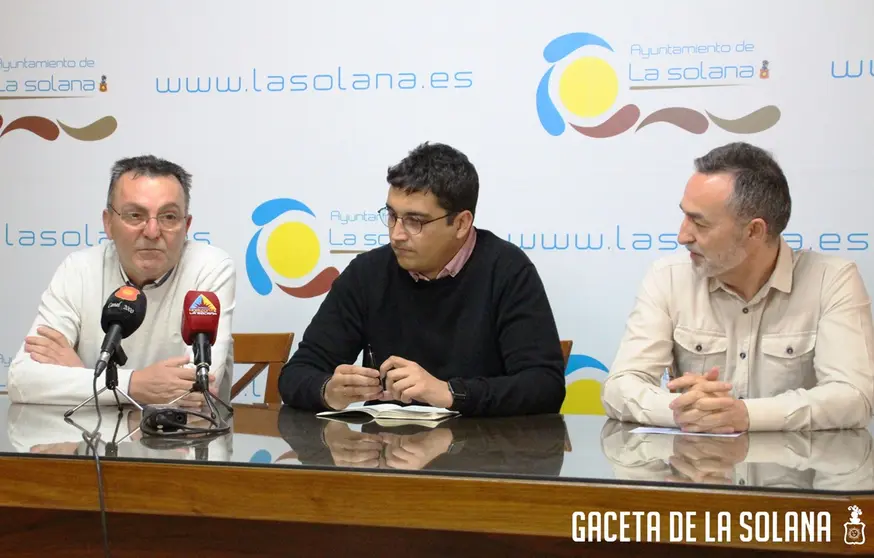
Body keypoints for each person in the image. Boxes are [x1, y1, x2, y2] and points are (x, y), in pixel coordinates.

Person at [602, 141, 874, 432]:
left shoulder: (832, 280)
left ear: (754, 231)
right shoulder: (667, 277)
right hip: (694, 461)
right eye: (684, 215)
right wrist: (684, 411)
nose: (682, 236)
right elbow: (620, 387)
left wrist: (745, 414)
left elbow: (854, 397)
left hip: (796, 462)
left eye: (700, 223)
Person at [279, 142, 565, 416]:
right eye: (392, 215)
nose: (396, 234)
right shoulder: (367, 273)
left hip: (481, 445)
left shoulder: (506, 270)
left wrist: (450, 393)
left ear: (461, 223)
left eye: (415, 221)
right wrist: (327, 390)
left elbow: (545, 386)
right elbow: (296, 374)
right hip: (387, 447)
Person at [7, 155, 236, 406]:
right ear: (108, 223)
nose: (152, 232)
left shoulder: (209, 267)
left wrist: (83, 376)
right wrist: (134, 385)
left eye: (169, 217)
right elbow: (22, 380)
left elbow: (198, 391)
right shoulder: (79, 269)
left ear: (186, 225)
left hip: (182, 432)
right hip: (89, 430)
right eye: (135, 215)